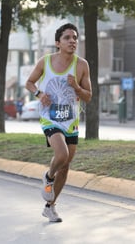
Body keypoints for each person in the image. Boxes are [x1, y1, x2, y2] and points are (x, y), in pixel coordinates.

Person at [25, 23, 92, 222]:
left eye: (75, 38)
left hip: (71, 120)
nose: (72, 41)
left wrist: (77, 88)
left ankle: (50, 206)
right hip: (50, 116)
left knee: (66, 165)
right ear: (58, 43)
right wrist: (39, 94)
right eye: (67, 38)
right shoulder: (45, 62)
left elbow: (88, 96)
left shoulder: (82, 65)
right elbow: (29, 82)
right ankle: (48, 176)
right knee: (61, 154)